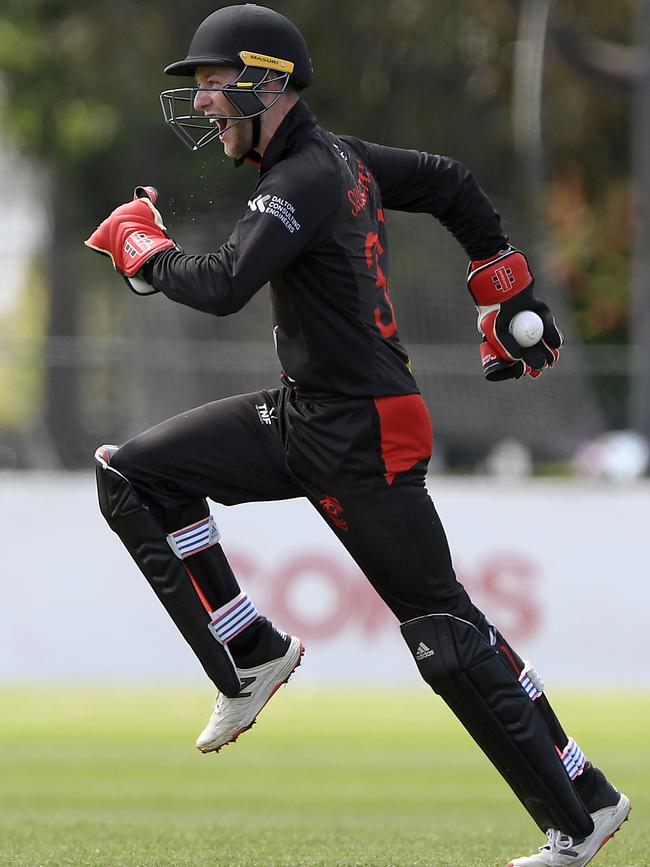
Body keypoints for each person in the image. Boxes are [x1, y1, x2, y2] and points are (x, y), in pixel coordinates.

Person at [85, 5, 629, 866]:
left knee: (444, 634)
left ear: (266, 83)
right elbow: (450, 182)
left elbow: (225, 284)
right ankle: (250, 652)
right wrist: (504, 287)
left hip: (364, 433)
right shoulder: (339, 161)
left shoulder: (303, 176)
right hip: (312, 413)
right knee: (133, 475)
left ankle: (583, 805)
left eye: (216, 88)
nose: (205, 108)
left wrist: (144, 253)